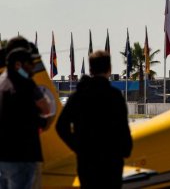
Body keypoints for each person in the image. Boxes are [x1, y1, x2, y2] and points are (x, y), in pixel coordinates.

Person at [56, 50, 132, 189]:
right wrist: (125, 150)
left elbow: (61, 126)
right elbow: (123, 127)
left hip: (87, 162)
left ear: (90, 70)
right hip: (112, 162)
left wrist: (78, 147)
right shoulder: (115, 96)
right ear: (109, 69)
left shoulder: (78, 96)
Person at [0, 38, 52, 189]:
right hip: (23, 155)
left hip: (3, 156)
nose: (32, 69)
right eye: (30, 64)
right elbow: (47, 109)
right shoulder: (26, 84)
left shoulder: (1, 82)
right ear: (18, 63)